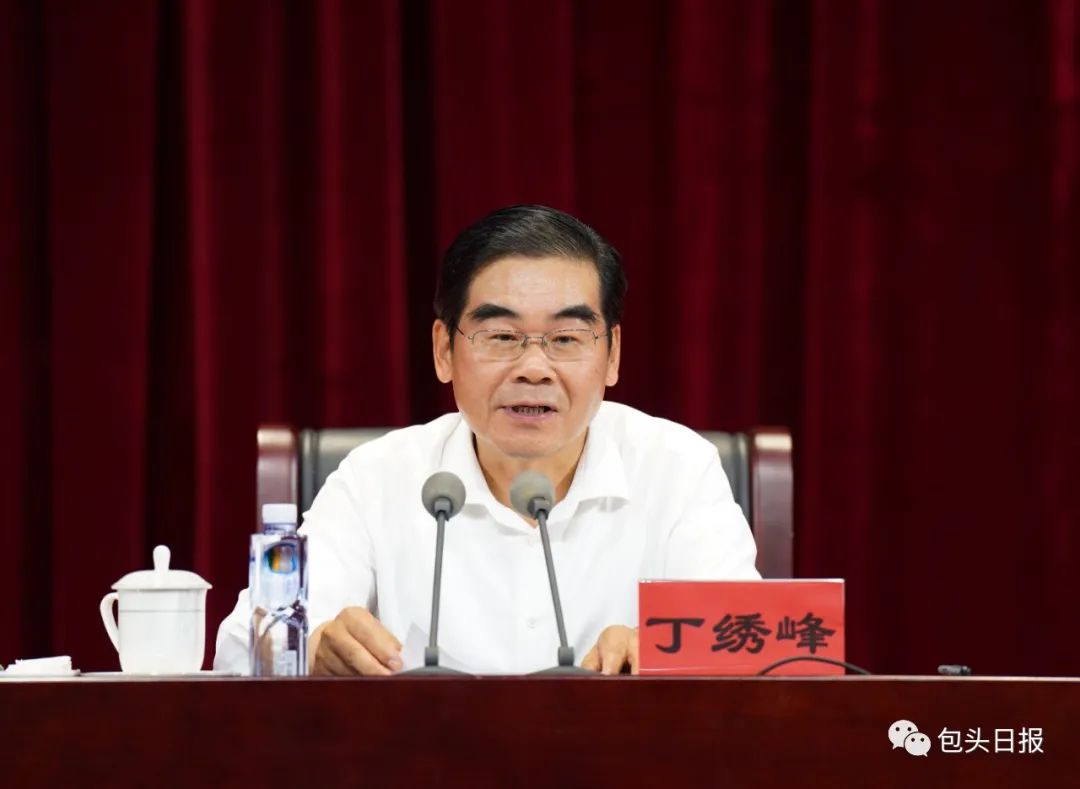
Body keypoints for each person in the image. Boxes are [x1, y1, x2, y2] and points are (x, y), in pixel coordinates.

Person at [214, 204, 759, 676]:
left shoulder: (677, 469)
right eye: (501, 336)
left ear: (612, 354)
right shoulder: (378, 477)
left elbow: (752, 643)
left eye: (566, 338)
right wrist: (312, 648)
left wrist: (666, 649)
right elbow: (241, 647)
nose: (534, 368)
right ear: (443, 351)